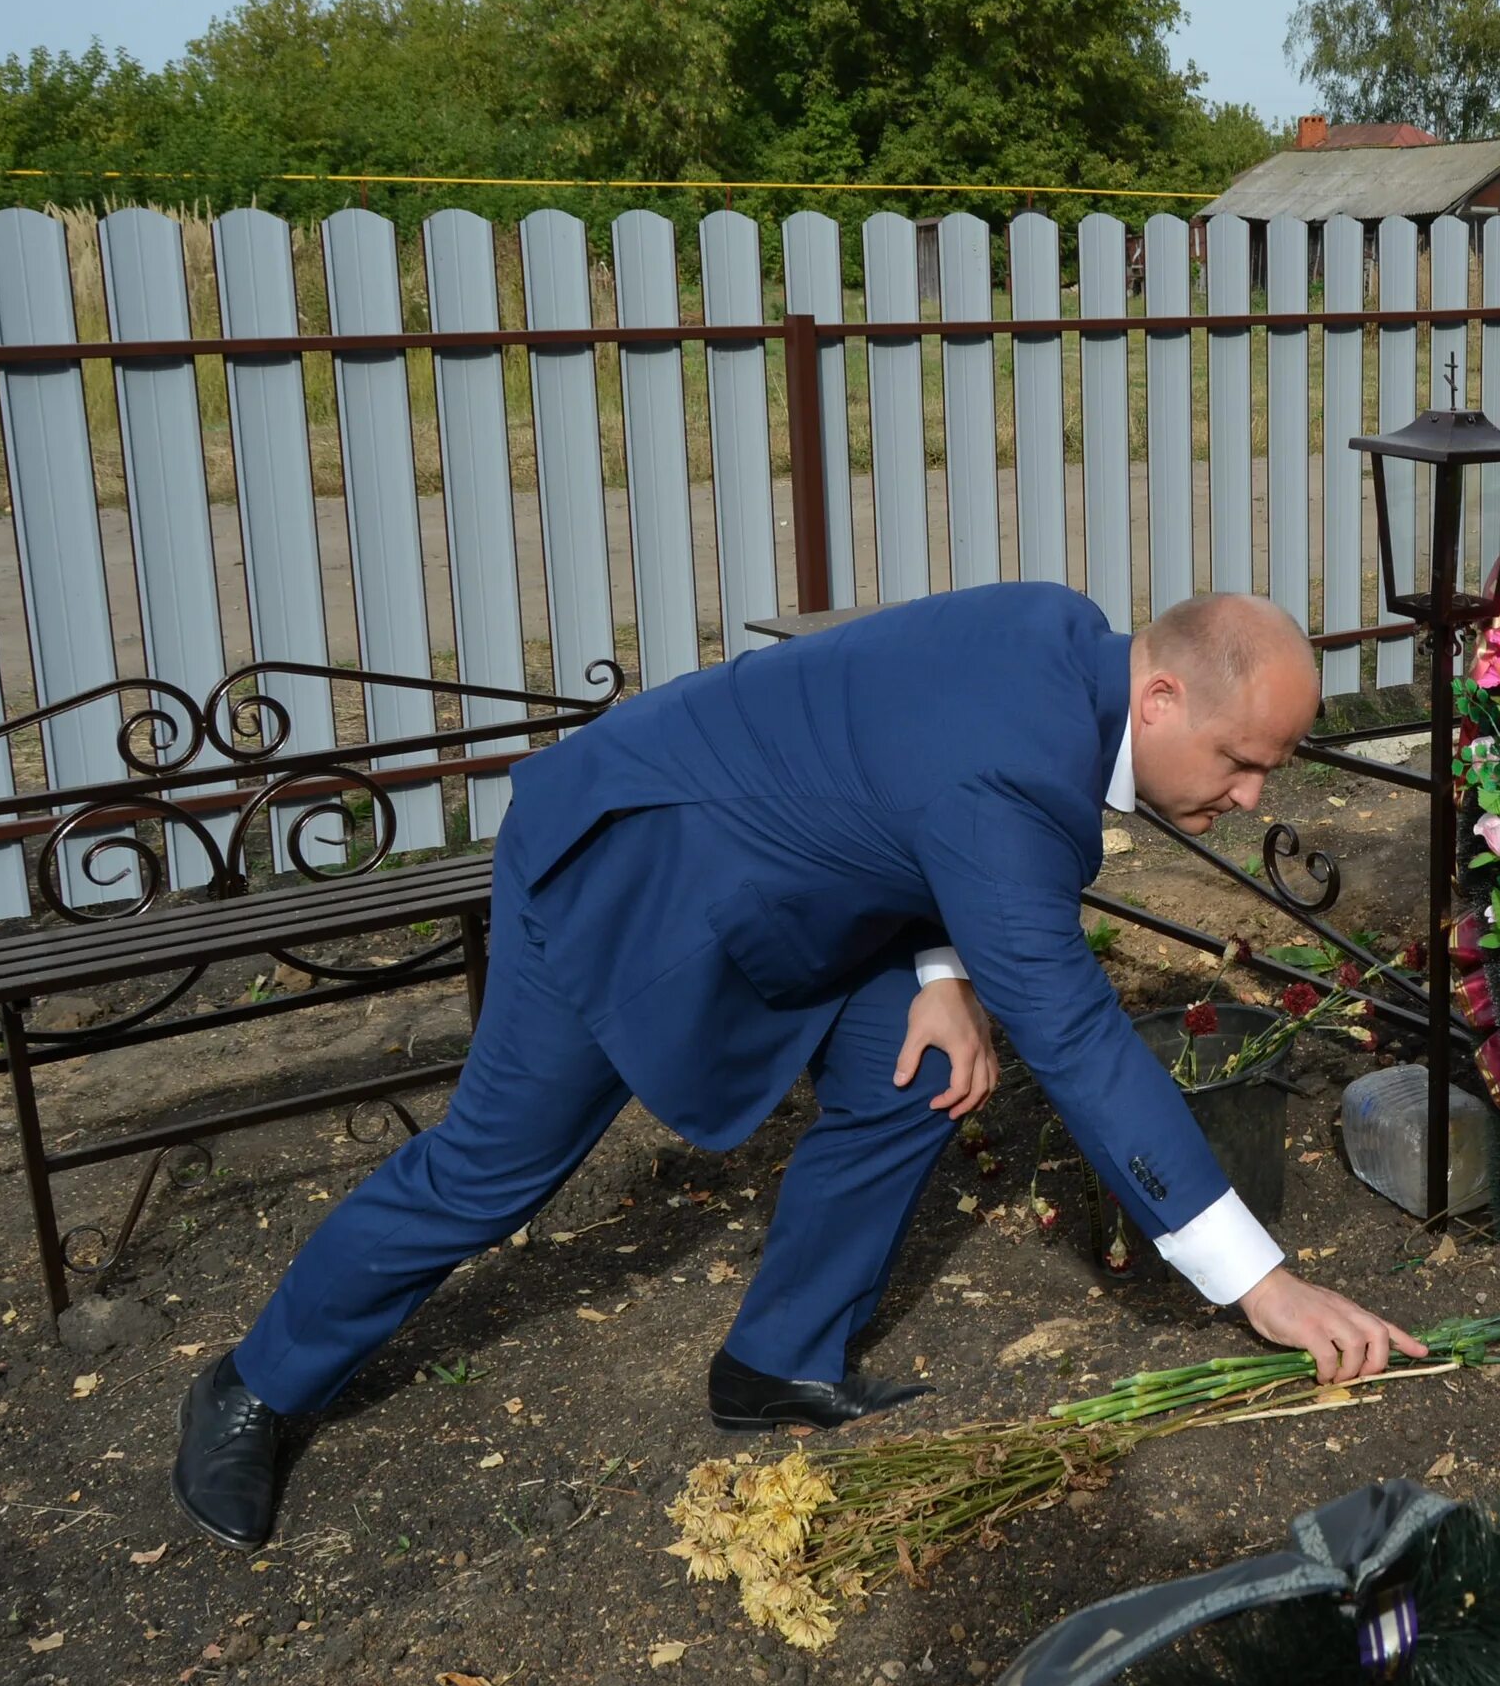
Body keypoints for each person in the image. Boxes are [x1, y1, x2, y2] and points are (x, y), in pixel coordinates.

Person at [172, 586, 1425, 1550]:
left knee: (914, 1065)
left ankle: (779, 1362)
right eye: (1241, 760)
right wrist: (1262, 1285)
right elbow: (1079, 1033)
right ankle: (253, 1387)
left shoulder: (1064, 630)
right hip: (629, 876)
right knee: (490, 1169)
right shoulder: (1015, 770)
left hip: (780, 878)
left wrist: (939, 977)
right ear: (1156, 701)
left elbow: (899, 772)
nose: (1253, 795)